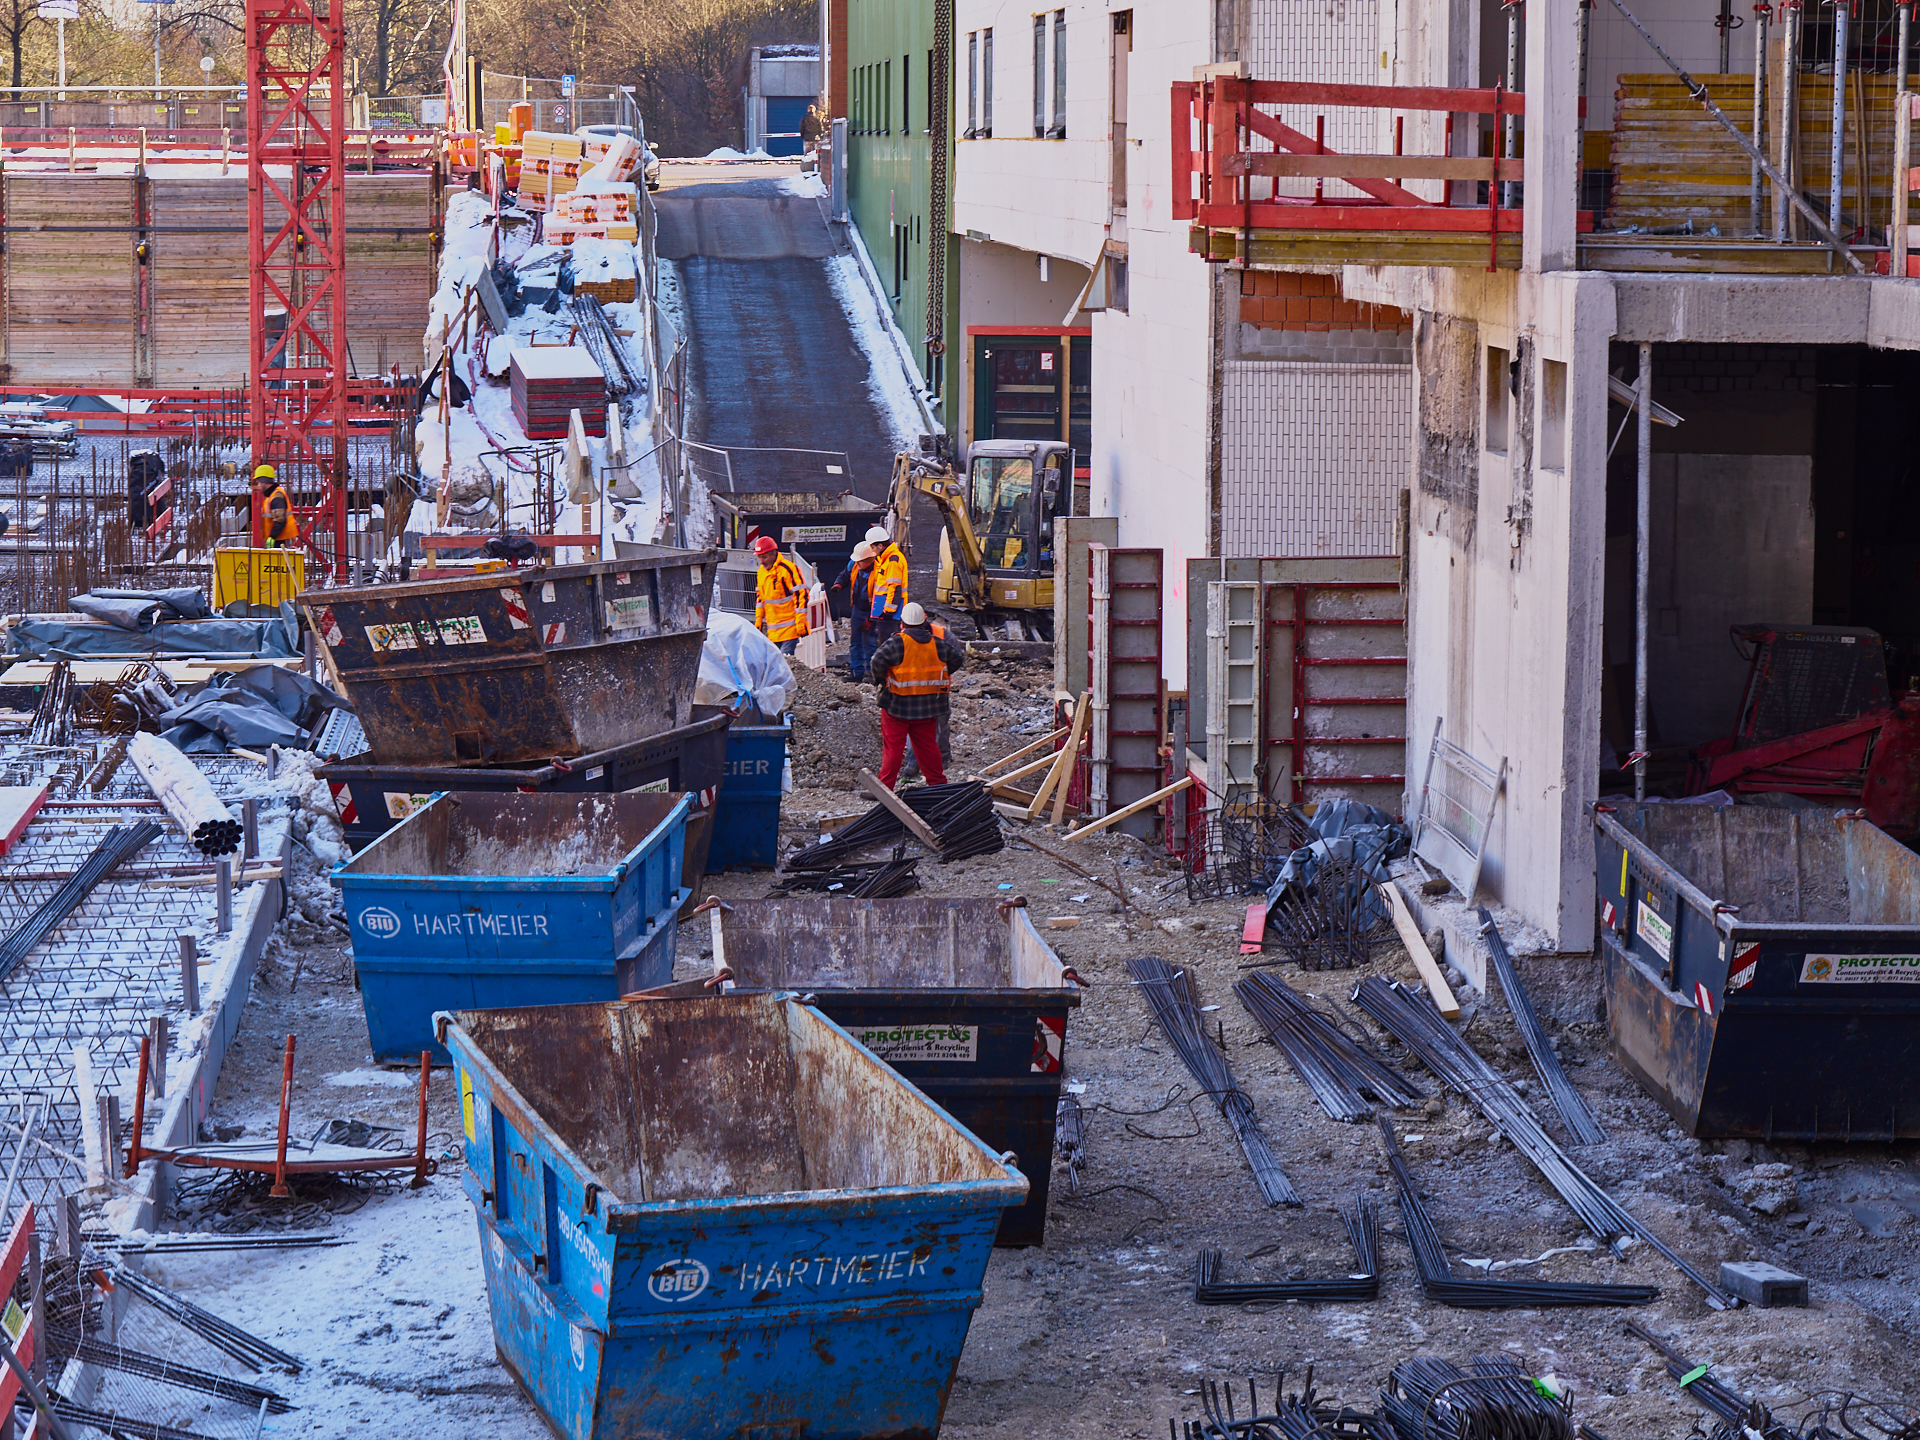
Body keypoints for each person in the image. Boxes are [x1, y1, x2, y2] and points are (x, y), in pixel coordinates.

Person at [867, 601, 965, 790]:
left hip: (897, 706)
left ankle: (885, 788)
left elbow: (876, 662)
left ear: (902, 623)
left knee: (893, 748)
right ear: (923, 621)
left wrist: (881, 680)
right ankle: (937, 784)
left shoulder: (896, 643)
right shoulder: (937, 644)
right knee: (928, 747)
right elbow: (957, 659)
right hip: (928, 707)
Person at [752, 534, 811, 655]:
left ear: (773, 554)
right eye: (759, 557)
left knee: (784, 663)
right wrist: (758, 619)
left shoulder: (787, 569)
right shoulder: (761, 573)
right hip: (773, 631)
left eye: (764, 557)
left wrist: (800, 621)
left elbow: (801, 594)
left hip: (790, 628)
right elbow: (761, 598)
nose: (762, 561)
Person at [830, 540, 878, 682]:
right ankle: (857, 673)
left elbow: (879, 597)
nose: (857, 564)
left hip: (871, 610)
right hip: (858, 609)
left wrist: (870, 619)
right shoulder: (855, 565)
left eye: (860, 562)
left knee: (870, 642)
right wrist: (838, 585)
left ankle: (871, 673)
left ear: (869, 560)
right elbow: (845, 575)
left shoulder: (878, 572)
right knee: (855, 641)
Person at [866, 524, 909, 648]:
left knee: (889, 646)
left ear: (880, 546)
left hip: (890, 614)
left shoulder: (892, 561)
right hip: (886, 610)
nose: (872, 550)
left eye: (873, 547)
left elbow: (895, 588)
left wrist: (889, 611)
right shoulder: (886, 558)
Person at [251, 464, 297, 548]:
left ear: (264, 482)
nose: (257, 486)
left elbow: (280, 520)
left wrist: (272, 537)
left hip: (280, 540)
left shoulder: (276, 496)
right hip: (278, 539)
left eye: (258, 483)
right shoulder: (272, 495)